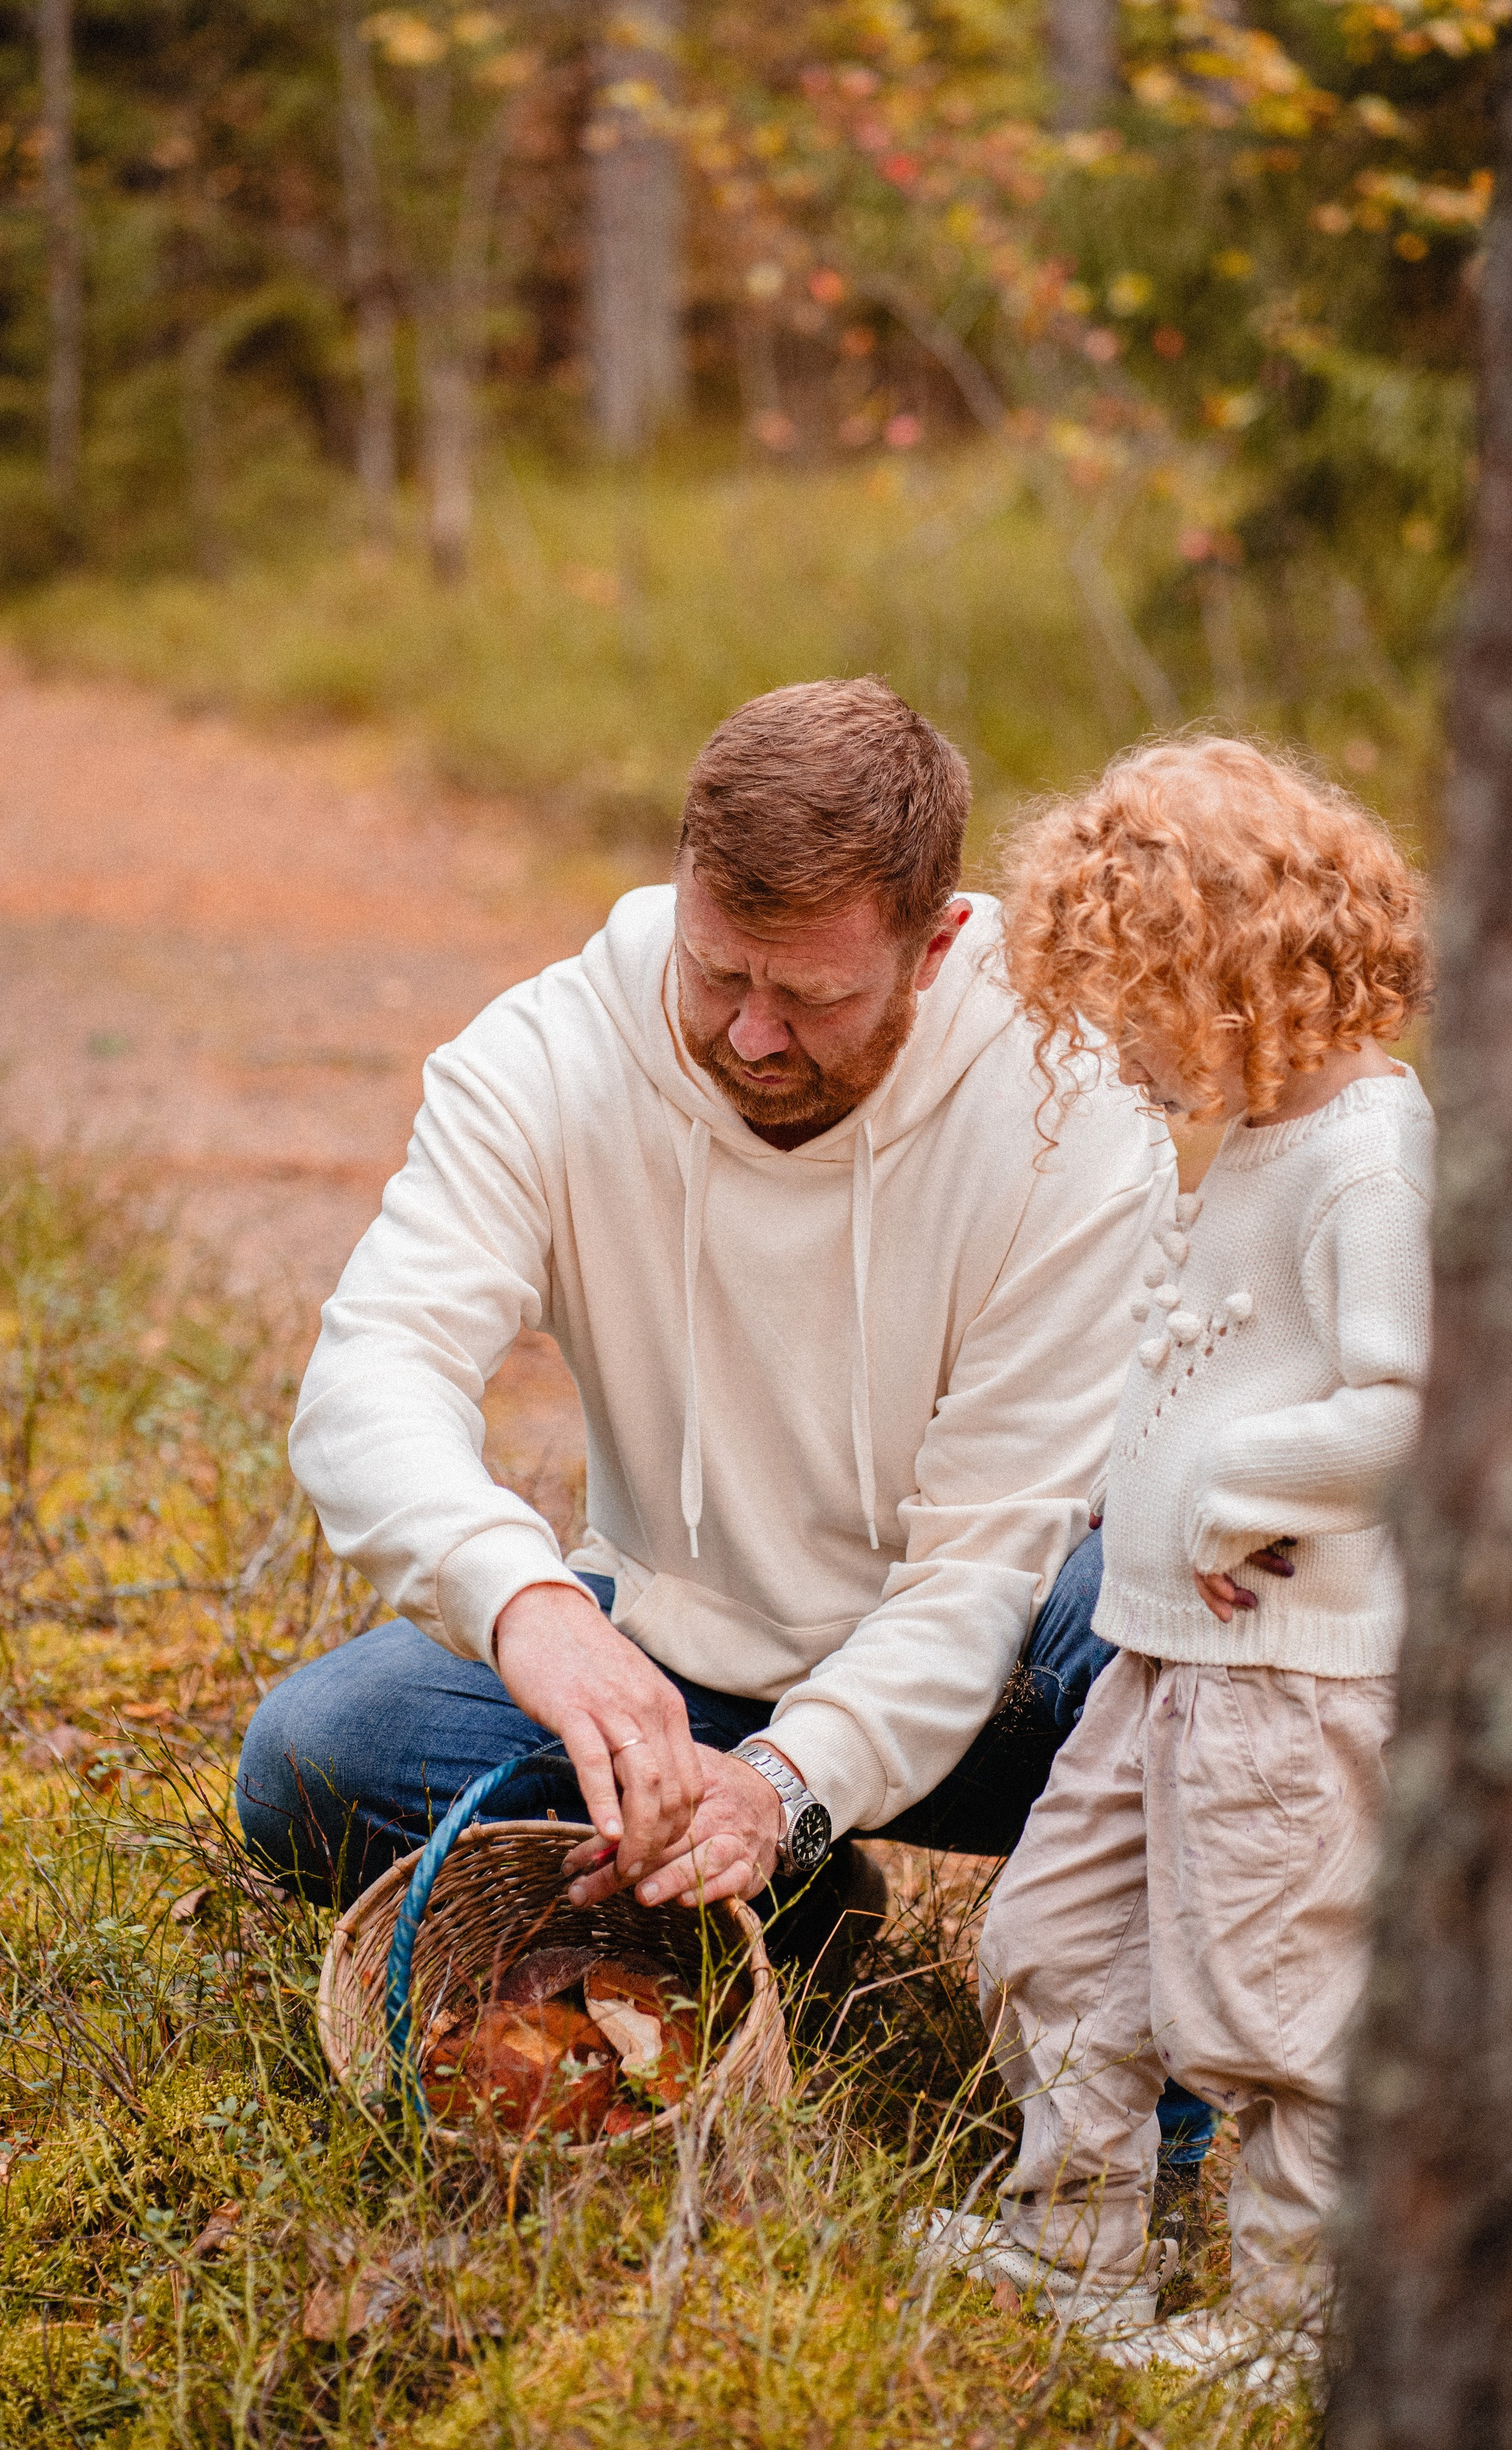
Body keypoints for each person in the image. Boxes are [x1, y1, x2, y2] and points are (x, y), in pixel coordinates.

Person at [235, 676, 1201, 2194]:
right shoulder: (544, 1057)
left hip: (997, 1663)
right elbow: (373, 1374)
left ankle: (1150, 2125)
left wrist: (791, 1783)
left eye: (810, 997)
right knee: (318, 1759)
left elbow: (981, 1559)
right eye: (715, 973)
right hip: (680, 1665)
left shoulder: (1063, 1108)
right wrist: (531, 1605)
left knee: (1168, 1641)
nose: (749, 1034)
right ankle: (789, 1915)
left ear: (934, 942)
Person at [919, 736, 1434, 2370]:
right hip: (1161, 1656)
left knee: (1277, 2009)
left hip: (1283, 1681)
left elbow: (1406, 1401)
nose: (1116, 1050)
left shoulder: (1365, 1156)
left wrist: (1224, 1494)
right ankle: (1068, 2245)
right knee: (1053, 1942)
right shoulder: (1261, 1138)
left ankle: (1294, 2329)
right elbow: (1199, 1352)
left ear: (1222, 970)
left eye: (1132, 1005)